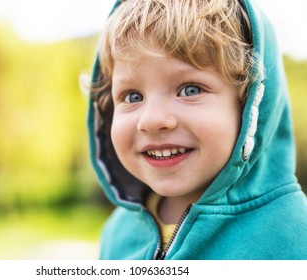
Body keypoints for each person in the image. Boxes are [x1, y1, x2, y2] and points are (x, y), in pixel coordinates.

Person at [87, 0, 307, 259]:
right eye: (133, 96)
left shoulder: (292, 235)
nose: (151, 120)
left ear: (250, 106)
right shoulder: (119, 232)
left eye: (190, 90)